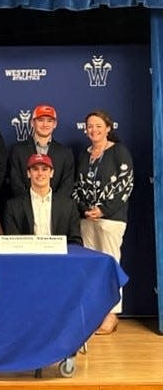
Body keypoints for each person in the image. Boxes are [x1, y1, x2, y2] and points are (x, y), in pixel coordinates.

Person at [72, 110, 133, 335]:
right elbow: (77, 187)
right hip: (87, 219)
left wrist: (103, 210)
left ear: (108, 128)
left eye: (99, 126)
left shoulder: (119, 151)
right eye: (90, 126)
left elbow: (125, 186)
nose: (94, 130)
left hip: (111, 219)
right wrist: (84, 209)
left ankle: (111, 315)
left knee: (109, 265)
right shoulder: (84, 154)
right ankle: (95, 314)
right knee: (91, 267)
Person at [4, 154, 82, 244]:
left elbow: (75, 241)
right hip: (28, 256)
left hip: (59, 257)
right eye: (35, 169)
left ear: (52, 173)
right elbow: (13, 243)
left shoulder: (69, 206)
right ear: (28, 173)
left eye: (45, 169)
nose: (40, 173)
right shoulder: (13, 207)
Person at [9, 104, 75, 198]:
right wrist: (32, 204)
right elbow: (15, 182)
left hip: (56, 209)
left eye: (49, 121)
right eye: (40, 120)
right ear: (32, 122)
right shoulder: (18, 150)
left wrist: (51, 205)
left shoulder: (65, 153)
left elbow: (67, 185)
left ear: (55, 124)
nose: (45, 124)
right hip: (25, 208)